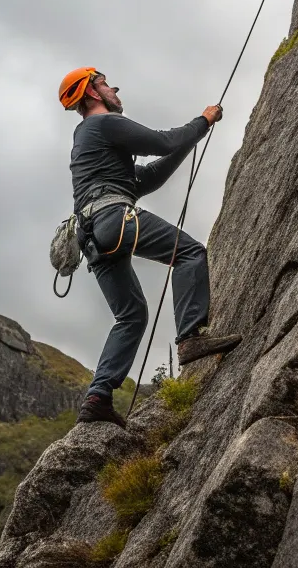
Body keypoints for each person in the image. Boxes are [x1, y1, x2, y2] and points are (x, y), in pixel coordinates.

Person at [59, 67, 242, 428]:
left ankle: (98, 397)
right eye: (105, 83)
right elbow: (162, 142)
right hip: (113, 217)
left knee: (131, 316)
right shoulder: (102, 125)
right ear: (93, 93)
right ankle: (190, 337)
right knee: (189, 253)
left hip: (93, 236)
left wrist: (189, 138)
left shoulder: (90, 143)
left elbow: (145, 178)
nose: (114, 88)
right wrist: (202, 121)